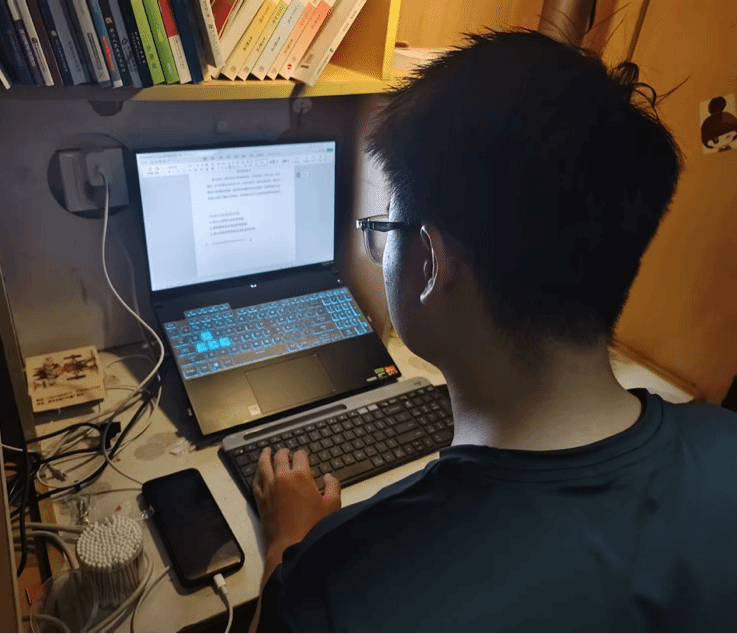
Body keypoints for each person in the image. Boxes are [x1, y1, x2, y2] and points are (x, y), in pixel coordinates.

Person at [248, 29, 737, 632]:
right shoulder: (725, 442)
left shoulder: (336, 583)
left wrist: (290, 543)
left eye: (386, 228)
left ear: (433, 262)